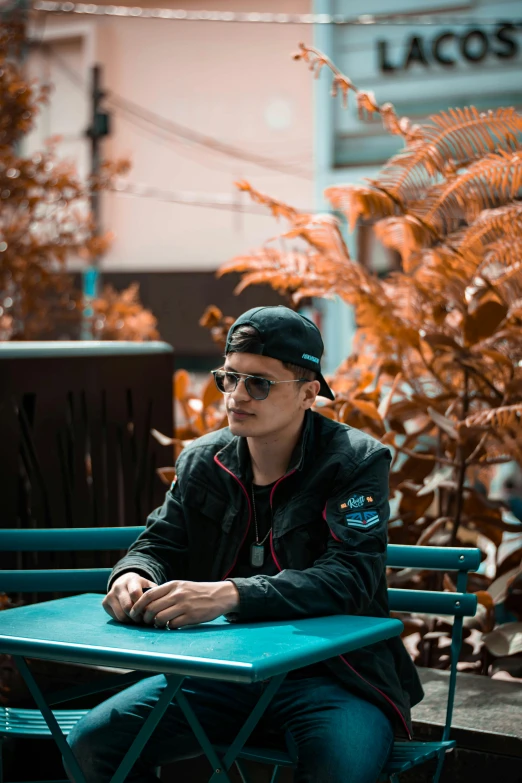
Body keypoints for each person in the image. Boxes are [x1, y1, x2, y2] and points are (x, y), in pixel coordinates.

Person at [66, 305, 423, 783]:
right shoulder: (202, 460)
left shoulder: (354, 461)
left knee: (338, 770)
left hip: (334, 677)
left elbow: (351, 576)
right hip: (222, 675)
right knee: (93, 742)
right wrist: (135, 576)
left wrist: (230, 593)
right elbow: (158, 543)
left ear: (308, 393)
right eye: (229, 378)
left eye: (259, 383)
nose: (237, 395)